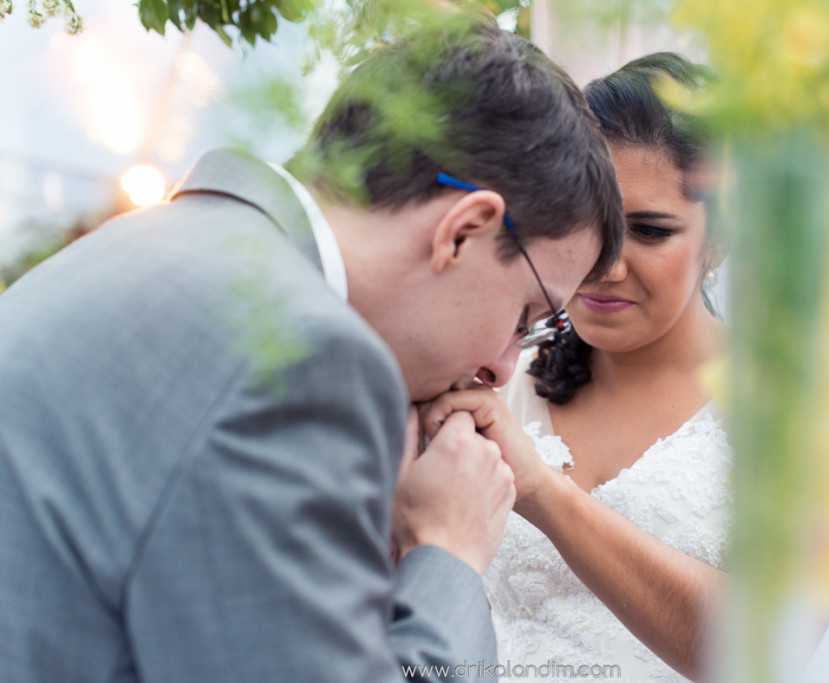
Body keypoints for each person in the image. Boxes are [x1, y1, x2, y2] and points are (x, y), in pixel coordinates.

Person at [0, 15, 624, 683]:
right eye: (526, 315)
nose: (501, 368)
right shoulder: (305, 357)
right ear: (464, 232)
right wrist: (448, 549)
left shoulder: (167, 246)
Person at [420, 52, 730, 682]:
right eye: (595, 226)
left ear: (718, 240)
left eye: (648, 231)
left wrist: (539, 489)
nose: (607, 265)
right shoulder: (500, 373)